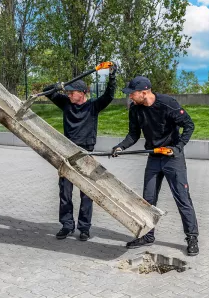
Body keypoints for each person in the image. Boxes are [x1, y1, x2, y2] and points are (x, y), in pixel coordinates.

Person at [111, 76, 199, 256]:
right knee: (147, 199)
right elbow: (133, 134)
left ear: (144, 92)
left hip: (172, 158)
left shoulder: (168, 104)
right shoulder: (135, 109)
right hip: (153, 156)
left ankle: (192, 237)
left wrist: (177, 147)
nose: (130, 98)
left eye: (132, 94)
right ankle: (147, 235)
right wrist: (121, 146)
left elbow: (189, 125)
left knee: (182, 198)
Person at [44, 64, 117, 241]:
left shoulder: (93, 106)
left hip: (86, 155)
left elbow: (109, 95)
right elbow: (47, 92)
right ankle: (67, 225)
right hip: (67, 154)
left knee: (86, 193)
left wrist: (112, 76)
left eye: (71, 92)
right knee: (65, 193)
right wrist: (58, 85)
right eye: (67, 92)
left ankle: (84, 228)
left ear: (82, 92)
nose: (68, 95)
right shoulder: (65, 104)